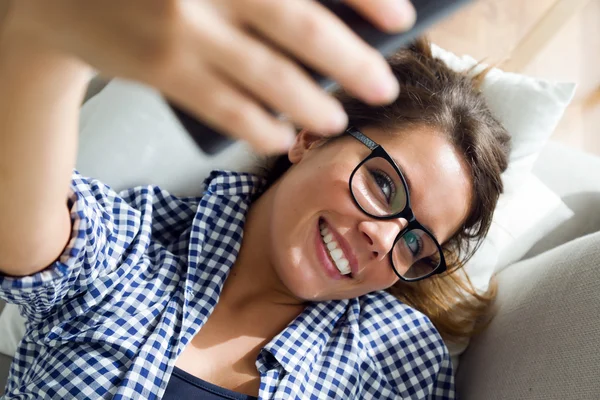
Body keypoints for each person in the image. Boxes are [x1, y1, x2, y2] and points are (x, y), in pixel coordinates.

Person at [0, 1, 511, 399]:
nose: (384, 237)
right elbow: (19, 227)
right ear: (311, 139)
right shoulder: (132, 239)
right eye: (384, 184)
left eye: (416, 244)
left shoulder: (397, 357)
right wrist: (46, 42)